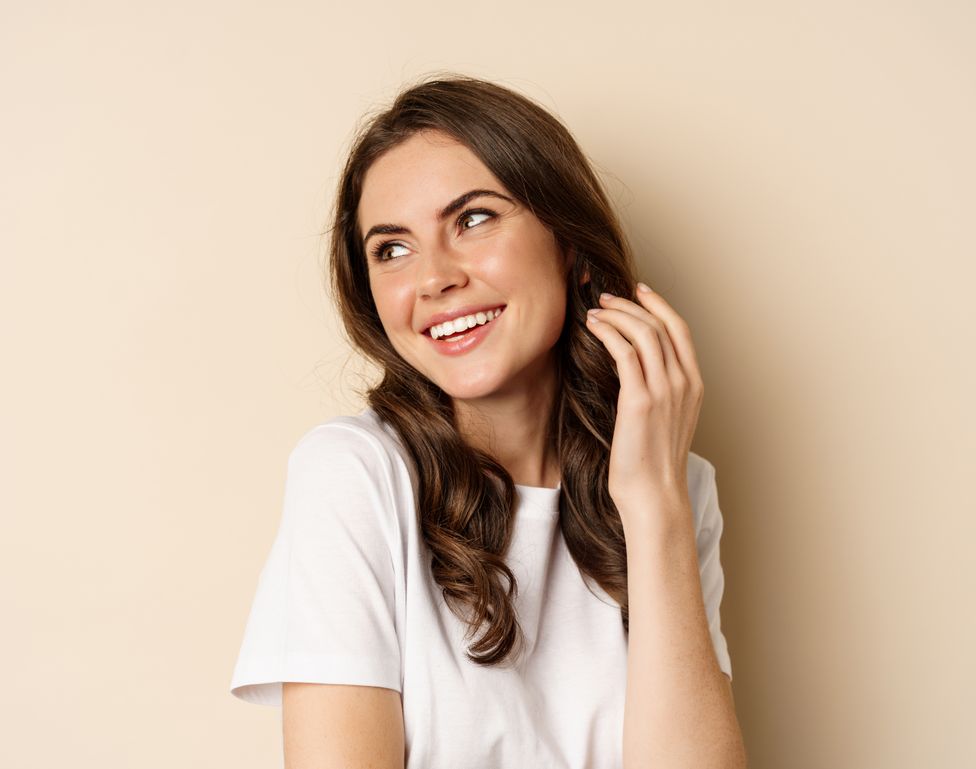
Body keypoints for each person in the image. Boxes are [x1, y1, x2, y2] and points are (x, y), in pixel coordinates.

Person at [227, 75, 748, 768]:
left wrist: (655, 506)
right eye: (391, 248)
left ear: (566, 240)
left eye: (473, 219)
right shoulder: (353, 474)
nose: (434, 277)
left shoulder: (675, 484)